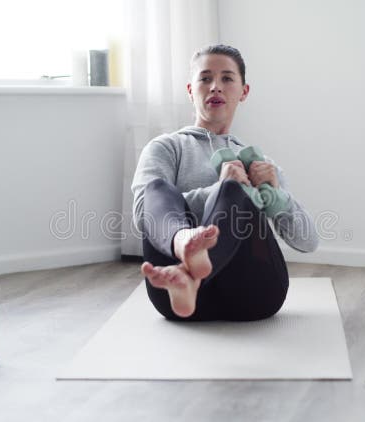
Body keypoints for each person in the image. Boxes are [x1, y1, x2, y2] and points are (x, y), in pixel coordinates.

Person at [131, 44, 318, 321]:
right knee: (156, 189)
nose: (215, 87)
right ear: (190, 90)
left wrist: (276, 195)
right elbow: (142, 216)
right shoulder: (165, 148)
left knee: (234, 190)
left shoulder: (261, 166)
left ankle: (190, 274)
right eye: (205, 78)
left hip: (254, 295)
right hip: (174, 295)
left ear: (244, 91)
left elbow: (308, 241)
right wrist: (216, 191)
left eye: (227, 78)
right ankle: (184, 249)